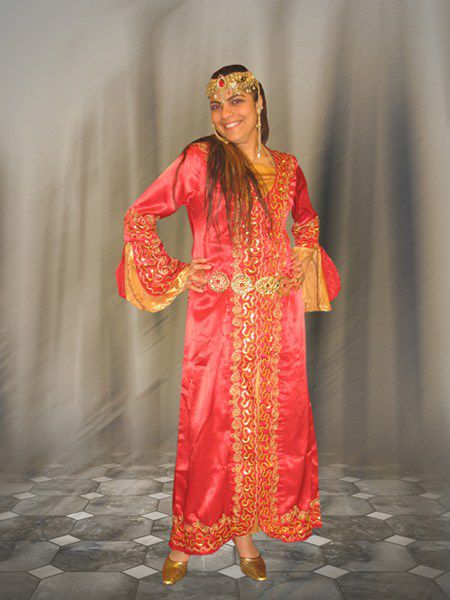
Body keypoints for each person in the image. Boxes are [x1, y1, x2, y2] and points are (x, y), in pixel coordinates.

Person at [115, 64, 341, 585]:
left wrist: (300, 261)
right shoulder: (201, 160)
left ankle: (245, 537)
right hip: (218, 321)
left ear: (259, 103)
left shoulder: (288, 168)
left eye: (237, 101)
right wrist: (179, 272)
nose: (225, 114)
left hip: (278, 325)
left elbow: (306, 220)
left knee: (270, 430)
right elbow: (140, 215)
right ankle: (184, 541)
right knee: (211, 429)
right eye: (216, 106)